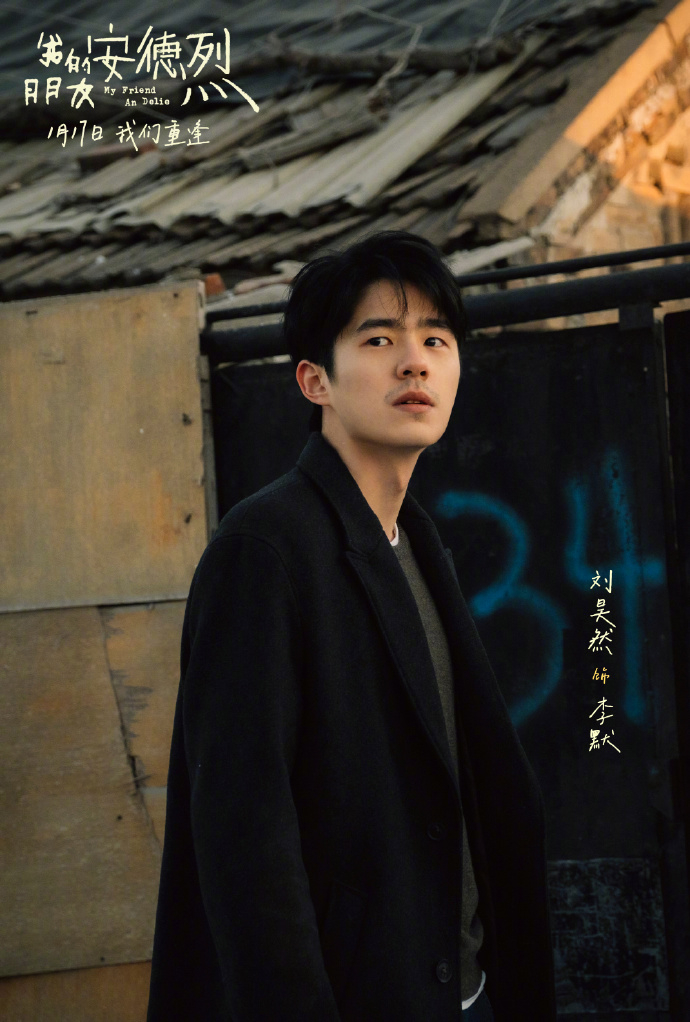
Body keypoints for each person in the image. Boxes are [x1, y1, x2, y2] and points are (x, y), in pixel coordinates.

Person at [146, 230, 557, 1022]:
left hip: (465, 994)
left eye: (435, 339)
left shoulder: (417, 543)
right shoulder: (265, 550)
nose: (415, 363)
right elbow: (244, 838)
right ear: (315, 380)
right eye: (379, 339)